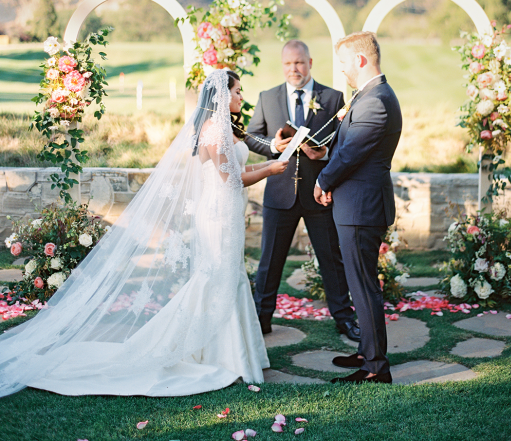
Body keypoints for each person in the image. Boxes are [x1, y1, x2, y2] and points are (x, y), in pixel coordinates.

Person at [0, 69, 288, 397]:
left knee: (228, 275)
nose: (240, 97)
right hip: (218, 214)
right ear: (222, 95)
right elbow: (229, 179)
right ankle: (220, 353)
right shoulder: (213, 129)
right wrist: (270, 170)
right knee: (217, 276)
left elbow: (235, 170)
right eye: (237, 91)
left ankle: (233, 352)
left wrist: (267, 164)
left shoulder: (224, 129)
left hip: (227, 212)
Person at [246, 40, 360, 342]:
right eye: (287, 64)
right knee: (269, 260)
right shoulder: (267, 97)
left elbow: (345, 143)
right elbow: (250, 137)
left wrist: (322, 154)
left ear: (310, 62)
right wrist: (273, 145)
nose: (293, 69)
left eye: (298, 63)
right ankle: (262, 318)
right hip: (279, 193)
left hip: (318, 193)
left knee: (331, 260)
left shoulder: (334, 98)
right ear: (282, 65)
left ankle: (344, 319)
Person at [314, 31, 402, 385]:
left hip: (362, 208)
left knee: (363, 286)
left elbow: (352, 154)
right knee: (360, 283)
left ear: (361, 60)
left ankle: (375, 368)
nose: (343, 70)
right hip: (357, 206)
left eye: (345, 63)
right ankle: (368, 351)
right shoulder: (368, 96)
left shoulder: (376, 100)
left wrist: (323, 180)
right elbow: (346, 144)